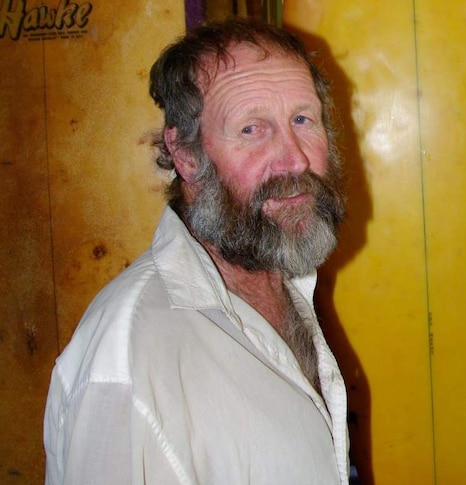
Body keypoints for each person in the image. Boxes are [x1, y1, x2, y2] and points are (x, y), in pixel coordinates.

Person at [44, 18, 350, 484]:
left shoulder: (285, 284)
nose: (296, 159)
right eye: (252, 129)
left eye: (303, 120)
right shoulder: (129, 356)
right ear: (185, 155)